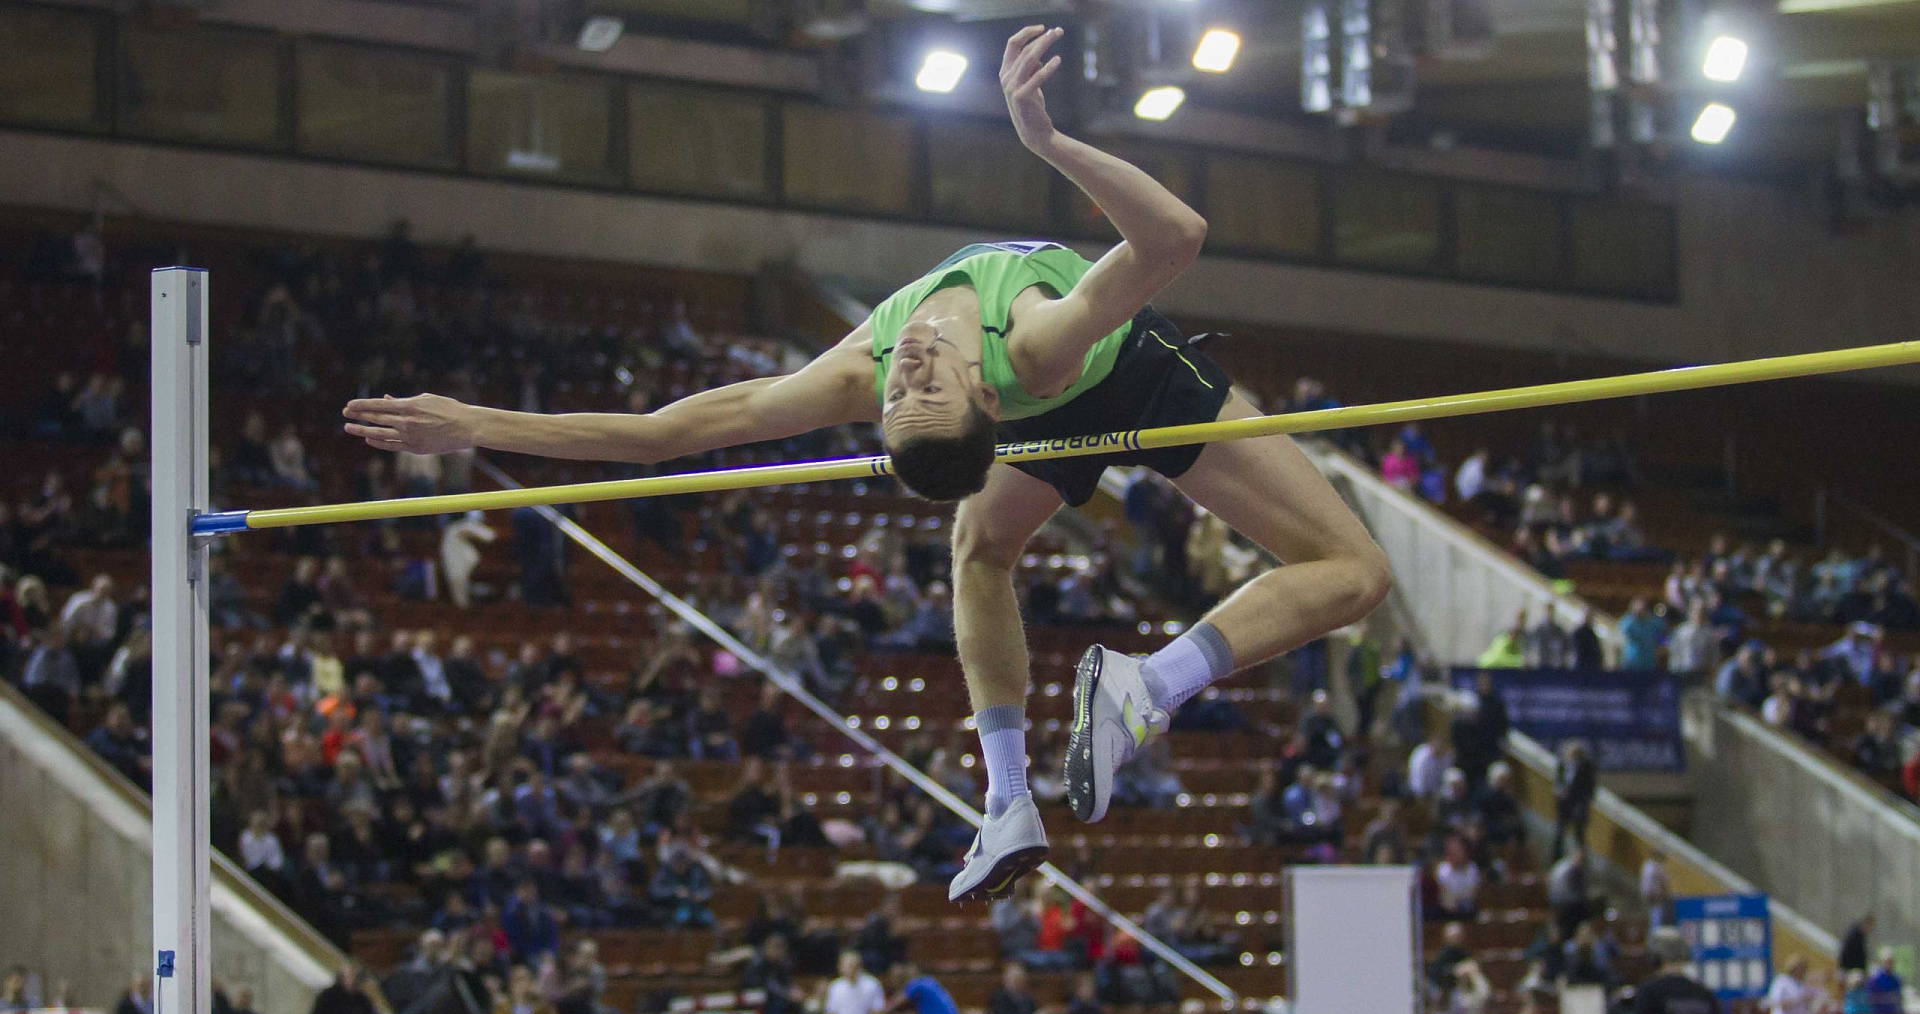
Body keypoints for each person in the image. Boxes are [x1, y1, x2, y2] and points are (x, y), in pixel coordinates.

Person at [342, 24, 1391, 904]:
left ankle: (1078, 740)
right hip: (1086, 396)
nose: (904, 375)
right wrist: (1049, 141)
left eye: (905, 389)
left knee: (1030, 554)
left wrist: (472, 418)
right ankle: (1073, 746)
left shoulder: (943, 356)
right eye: (909, 391)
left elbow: (1174, 239)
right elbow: (1173, 236)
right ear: (985, 405)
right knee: (1311, 570)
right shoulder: (990, 360)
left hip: (1091, 400)